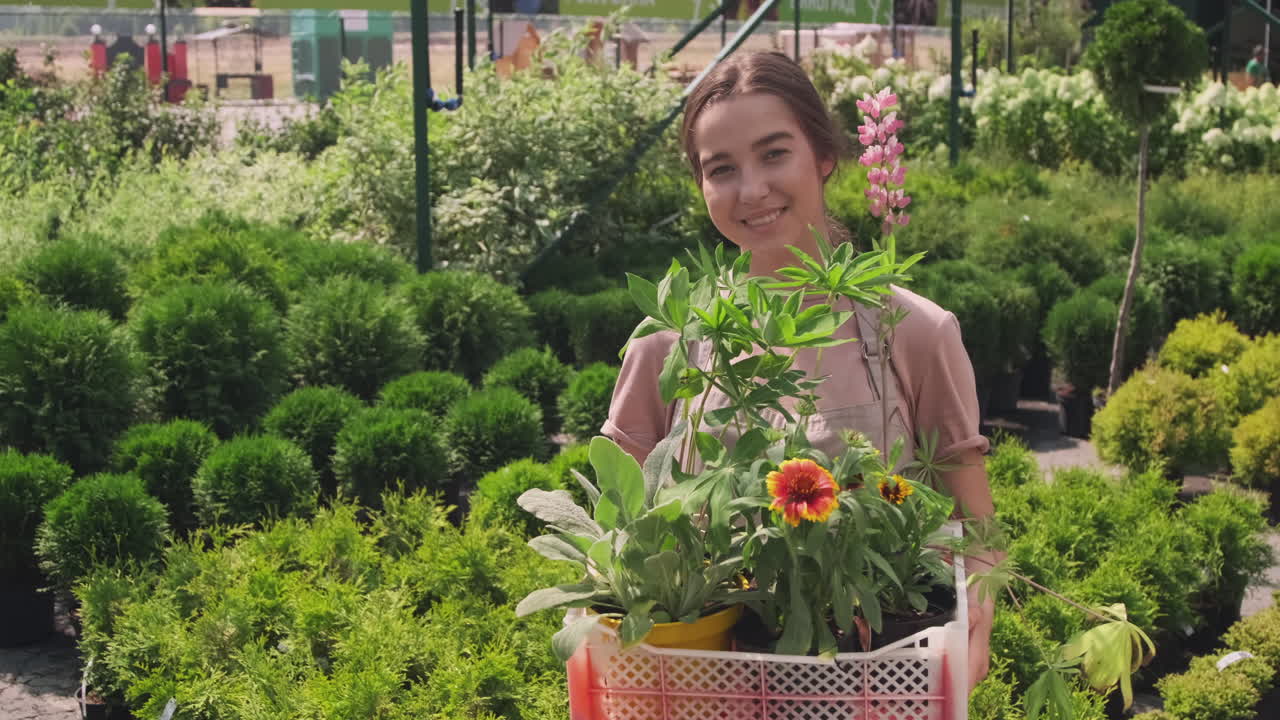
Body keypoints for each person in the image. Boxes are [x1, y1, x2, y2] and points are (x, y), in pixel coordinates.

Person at [600, 51, 998, 693]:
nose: (751, 189)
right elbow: (619, 530)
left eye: (773, 154)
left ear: (824, 155)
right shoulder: (668, 345)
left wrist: (980, 603)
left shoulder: (912, 331)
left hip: (876, 682)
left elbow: (975, 522)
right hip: (706, 688)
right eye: (721, 169)